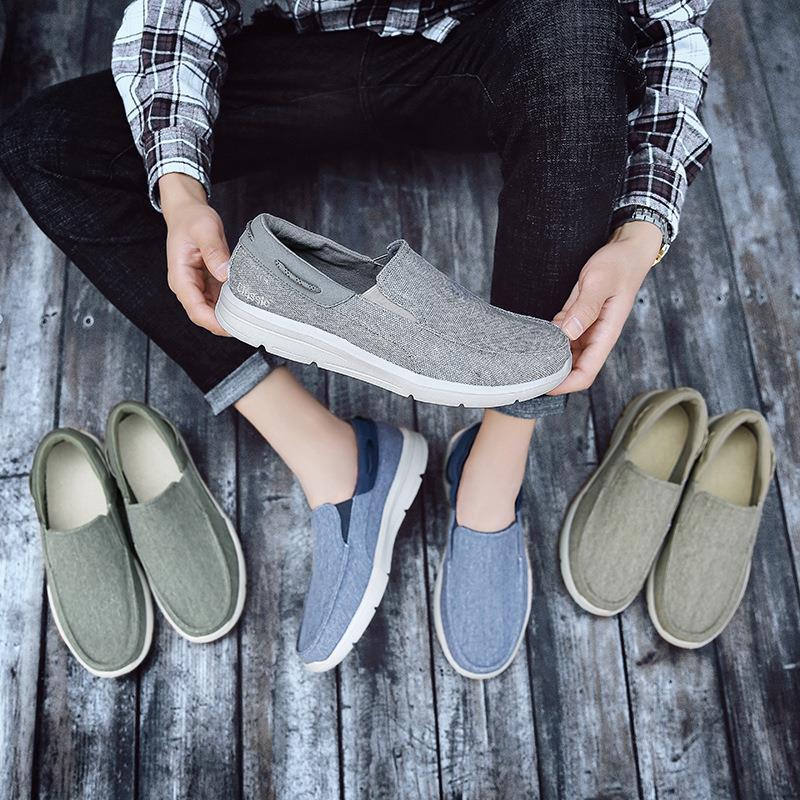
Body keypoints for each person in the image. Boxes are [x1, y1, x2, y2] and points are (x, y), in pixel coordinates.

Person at [0, 0, 712, 677]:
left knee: (576, 28)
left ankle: (491, 473)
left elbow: (667, 23)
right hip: (299, 60)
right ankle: (336, 456)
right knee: (44, 145)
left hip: (474, 50)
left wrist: (641, 229)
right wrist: (180, 189)